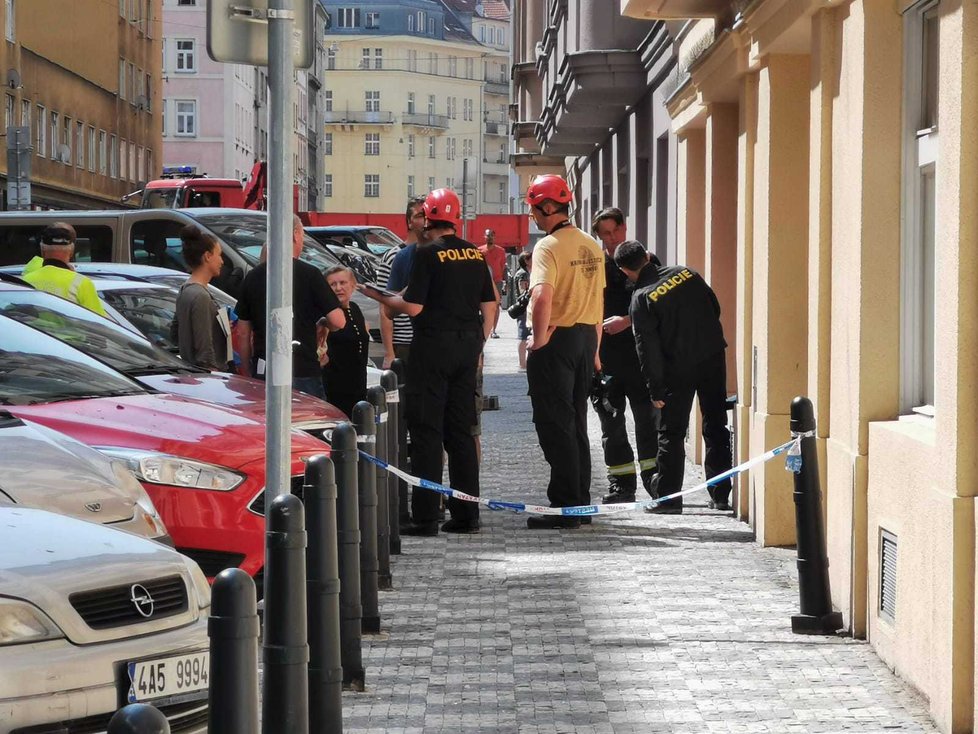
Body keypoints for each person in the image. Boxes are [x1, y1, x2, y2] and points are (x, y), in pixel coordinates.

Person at [359, 188, 497, 536]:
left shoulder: (426, 253)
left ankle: (425, 516)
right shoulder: (474, 254)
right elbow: (490, 305)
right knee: (461, 431)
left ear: (428, 218)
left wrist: (375, 295)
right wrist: (480, 343)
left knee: (426, 431)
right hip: (467, 347)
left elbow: (413, 306)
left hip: (433, 347)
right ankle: (467, 515)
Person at [613, 240, 733, 514]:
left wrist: (655, 390)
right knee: (716, 423)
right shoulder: (685, 272)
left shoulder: (641, 297)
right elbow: (714, 307)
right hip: (712, 355)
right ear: (647, 255)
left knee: (671, 432)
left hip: (678, 367)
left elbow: (647, 349)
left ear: (623, 270)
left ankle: (668, 498)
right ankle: (720, 494)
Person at [524, 174, 606, 529]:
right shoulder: (590, 243)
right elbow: (598, 300)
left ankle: (565, 505)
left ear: (546, 207)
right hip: (586, 337)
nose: (533, 218)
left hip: (557, 340)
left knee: (555, 425)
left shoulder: (548, 246)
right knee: (576, 423)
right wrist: (597, 351)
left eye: (533, 211)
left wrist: (539, 339)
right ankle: (580, 503)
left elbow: (542, 295)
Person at [591, 209, 661, 504]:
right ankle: (621, 485)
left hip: (639, 359)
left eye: (613, 232)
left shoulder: (645, 261)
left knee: (648, 423)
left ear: (623, 228)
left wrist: (626, 321)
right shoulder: (594, 265)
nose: (610, 240)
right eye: (604, 235)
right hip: (606, 360)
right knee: (612, 424)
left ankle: (656, 483)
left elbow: (658, 305)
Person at [235, 214, 346, 398]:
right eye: (302, 236)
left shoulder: (253, 277)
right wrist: (324, 323)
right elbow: (339, 321)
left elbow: (243, 333)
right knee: (308, 425)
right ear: (295, 235)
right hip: (302, 368)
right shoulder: (310, 274)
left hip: (265, 369)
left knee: (267, 424)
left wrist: (247, 369)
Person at [171, 225, 232, 371]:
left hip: (192, 372)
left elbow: (174, 333)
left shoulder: (185, 289)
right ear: (207, 256)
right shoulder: (201, 296)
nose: (222, 261)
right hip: (207, 377)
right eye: (219, 255)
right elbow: (204, 350)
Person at [377, 195, 425, 368]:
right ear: (409, 222)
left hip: (429, 339)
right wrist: (389, 352)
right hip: (404, 342)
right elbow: (384, 305)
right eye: (419, 216)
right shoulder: (394, 256)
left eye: (428, 215)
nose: (425, 220)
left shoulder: (435, 254)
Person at [22, 222, 107, 316]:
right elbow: (101, 323)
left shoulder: (25, 281)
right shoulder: (82, 283)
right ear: (72, 251)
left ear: (42, 249)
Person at [321, 265, 369, 417]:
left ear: (353, 285)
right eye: (333, 284)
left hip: (358, 381)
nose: (338, 288)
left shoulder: (355, 308)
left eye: (342, 283)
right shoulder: (326, 314)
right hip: (335, 385)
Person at [479, 228, 507, 338]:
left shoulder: (501, 251)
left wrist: (506, 282)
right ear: (484, 237)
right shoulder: (479, 250)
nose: (490, 237)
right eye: (488, 235)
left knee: (495, 306)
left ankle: (493, 330)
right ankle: (483, 327)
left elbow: (503, 267)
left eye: (492, 235)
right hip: (483, 282)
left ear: (495, 237)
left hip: (497, 282)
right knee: (482, 305)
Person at [513, 252, 532, 370]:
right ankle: (522, 363)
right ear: (526, 260)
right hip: (524, 308)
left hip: (526, 307)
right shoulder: (523, 274)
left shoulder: (524, 273)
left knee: (526, 335)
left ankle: (526, 362)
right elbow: (522, 291)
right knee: (523, 335)